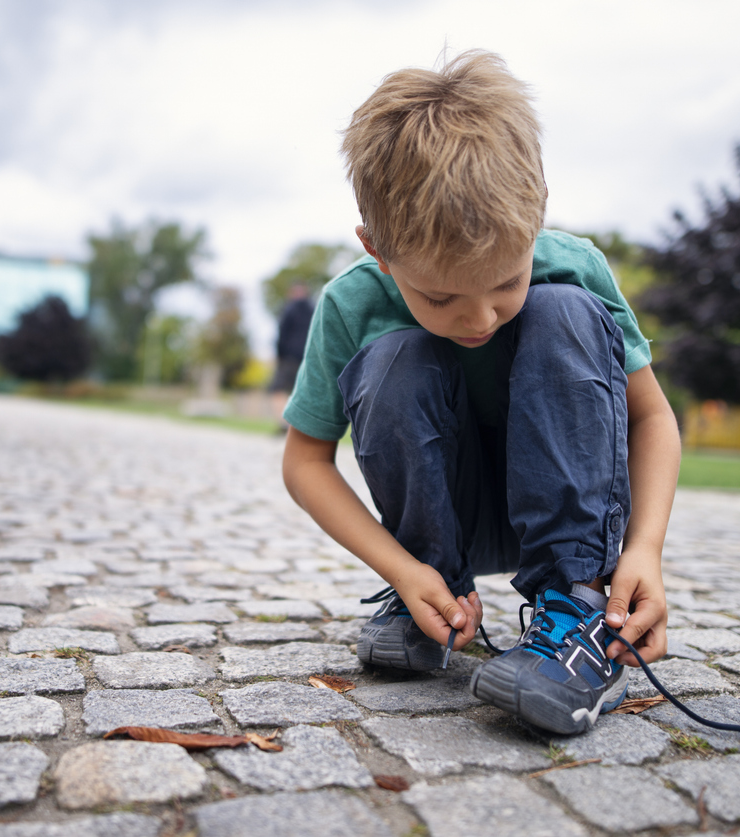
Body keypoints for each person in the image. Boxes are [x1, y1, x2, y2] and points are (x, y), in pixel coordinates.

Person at [280, 50, 681, 736]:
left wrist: (644, 549)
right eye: (439, 295)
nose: (480, 318)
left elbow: (653, 419)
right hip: (443, 518)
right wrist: (402, 567)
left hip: (569, 509)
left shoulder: (575, 267)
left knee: (562, 314)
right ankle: (431, 595)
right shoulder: (352, 303)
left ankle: (579, 610)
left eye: (505, 284)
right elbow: (304, 460)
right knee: (395, 356)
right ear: (376, 248)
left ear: (536, 218)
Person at [269, 282, 315, 432]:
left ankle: (284, 424)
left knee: (278, 389)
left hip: (289, 357)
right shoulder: (313, 308)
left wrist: (279, 355)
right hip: (309, 356)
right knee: (304, 391)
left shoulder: (289, 309)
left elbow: (282, 333)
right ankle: (302, 427)